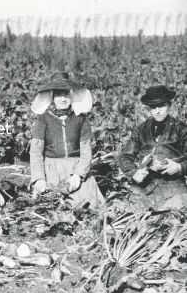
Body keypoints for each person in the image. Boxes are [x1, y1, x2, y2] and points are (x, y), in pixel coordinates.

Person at [30, 72, 105, 209]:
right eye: (59, 95)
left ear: (71, 95)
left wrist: (79, 175)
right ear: (52, 97)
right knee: (51, 203)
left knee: (88, 206)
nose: (63, 99)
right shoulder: (43, 119)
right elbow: (36, 152)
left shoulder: (80, 119)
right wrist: (39, 178)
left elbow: (86, 151)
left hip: (75, 168)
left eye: (66, 94)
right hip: (51, 170)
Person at [118, 85, 187, 209]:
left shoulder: (181, 129)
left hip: (172, 186)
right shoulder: (141, 130)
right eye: (153, 107)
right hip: (145, 186)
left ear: (169, 105)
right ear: (149, 109)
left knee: (174, 217)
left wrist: (179, 167)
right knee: (130, 215)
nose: (157, 111)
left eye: (161, 106)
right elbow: (125, 156)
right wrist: (134, 173)